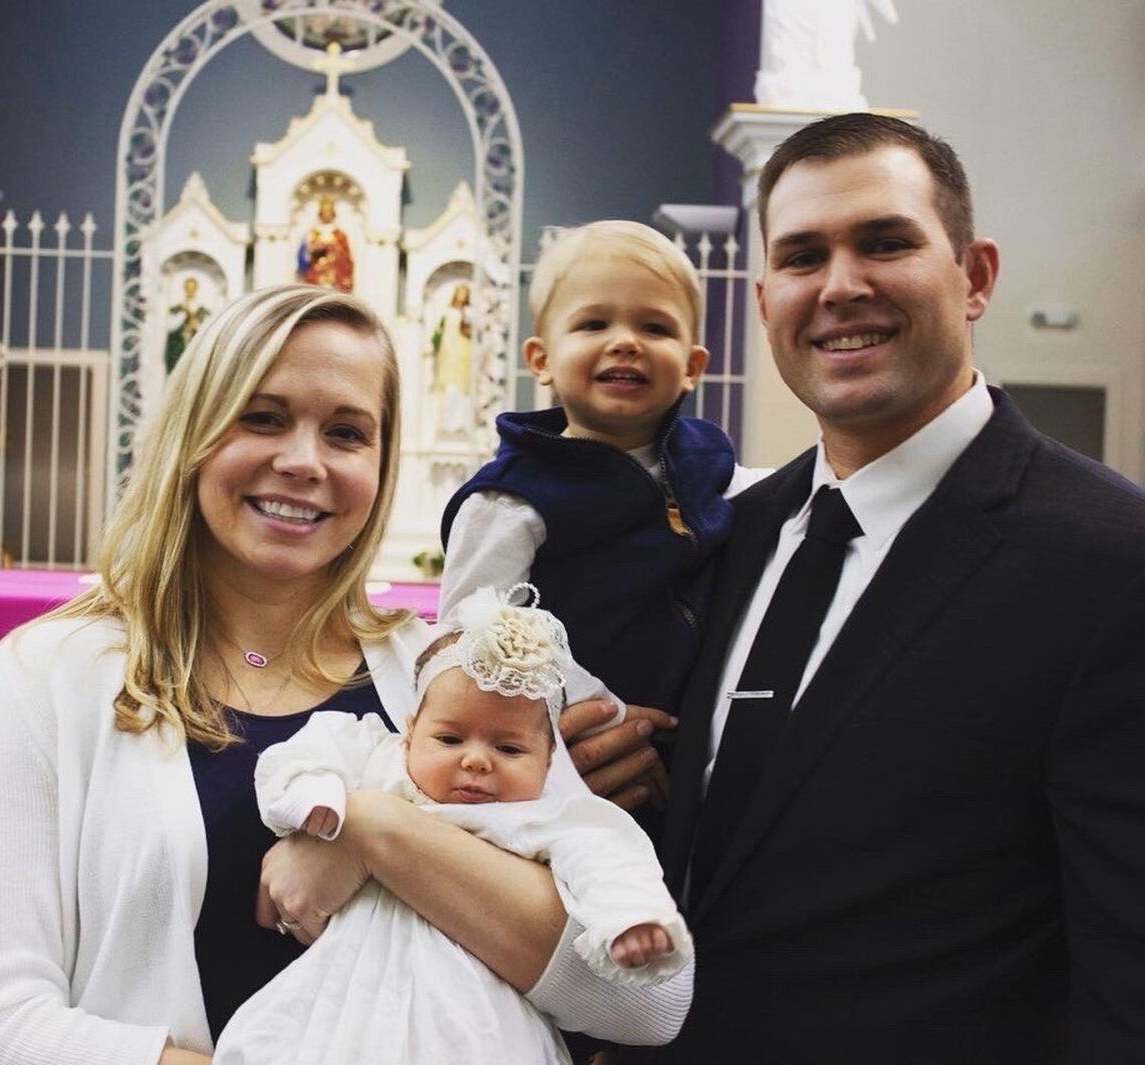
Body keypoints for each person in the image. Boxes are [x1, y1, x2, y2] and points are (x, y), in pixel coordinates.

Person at [0, 284, 693, 1064]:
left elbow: (643, 999)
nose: (303, 462)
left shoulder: (448, 677)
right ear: (194, 434)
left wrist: (377, 831)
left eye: (347, 433)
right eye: (263, 417)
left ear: (382, 467)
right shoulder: (53, 677)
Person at [657, 113, 1145, 1061]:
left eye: (885, 242)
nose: (842, 286)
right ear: (765, 302)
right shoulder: (737, 534)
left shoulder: (1110, 561)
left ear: (976, 277)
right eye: (803, 257)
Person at [216, 585, 691, 1064]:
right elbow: (302, 755)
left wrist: (631, 918)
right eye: (449, 738)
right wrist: (315, 802)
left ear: (550, 763)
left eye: (508, 749)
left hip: (479, 1024)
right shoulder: (382, 763)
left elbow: (609, 861)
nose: (477, 761)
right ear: (409, 733)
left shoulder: (542, 817)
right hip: (349, 1002)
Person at [439, 221, 768, 830]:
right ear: (541, 359)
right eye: (594, 324)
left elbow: (780, 504)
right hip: (563, 771)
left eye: (655, 327)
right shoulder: (511, 501)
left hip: (698, 760)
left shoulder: (710, 464)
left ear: (693, 365)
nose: (626, 342)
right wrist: (602, 711)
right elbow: (471, 637)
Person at [428, 282, 475, 432]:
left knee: (461, 391)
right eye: (459, 293)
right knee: (449, 390)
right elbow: (439, 334)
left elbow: (472, 332)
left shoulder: (469, 312)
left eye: (464, 293)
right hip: (449, 355)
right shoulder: (448, 312)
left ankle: (459, 423)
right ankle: (447, 423)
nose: (462, 296)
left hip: (464, 354)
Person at [297, 195, 355, 292]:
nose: (326, 215)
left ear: (333, 214)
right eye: (324, 212)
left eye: (329, 212)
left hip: (334, 278)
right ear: (320, 214)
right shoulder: (313, 233)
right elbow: (304, 256)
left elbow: (346, 257)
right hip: (317, 276)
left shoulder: (340, 235)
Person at [164, 275, 210, 373]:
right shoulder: (177, 308)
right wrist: (183, 314)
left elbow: (208, 328)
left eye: (192, 288)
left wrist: (197, 327)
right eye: (188, 288)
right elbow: (170, 327)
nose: (190, 290)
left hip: (195, 347)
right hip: (179, 346)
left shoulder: (202, 310)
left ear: (196, 289)